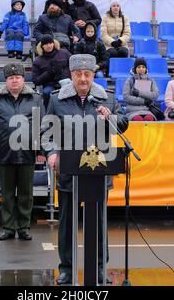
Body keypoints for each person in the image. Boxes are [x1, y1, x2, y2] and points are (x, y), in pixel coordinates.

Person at [44, 54, 128, 285]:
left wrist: (110, 116)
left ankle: (100, 269)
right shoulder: (56, 100)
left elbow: (124, 123)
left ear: (93, 76)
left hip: (98, 172)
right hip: (69, 171)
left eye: (87, 74)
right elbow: (46, 131)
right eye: (78, 74)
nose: (83, 78)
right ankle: (67, 270)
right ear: (71, 75)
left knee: (99, 224)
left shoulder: (106, 99)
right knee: (66, 226)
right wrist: (52, 152)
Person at [0, 63, 46, 241]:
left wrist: (42, 151)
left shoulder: (35, 98)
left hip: (27, 153)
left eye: (17, 77)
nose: (14, 81)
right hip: (5, 153)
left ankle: (24, 227)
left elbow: (43, 126)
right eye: (11, 78)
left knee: (26, 193)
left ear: (23, 79)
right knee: (7, 193)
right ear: (6, 81)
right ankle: (8, 227)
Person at [32, 34, 71, 108]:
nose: (49, 46)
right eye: (46, 44)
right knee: (46, 92)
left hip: (66, 82)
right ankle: (48, 112)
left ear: (54, 43)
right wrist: (49, 72)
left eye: (50, 43)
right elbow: (36, 81)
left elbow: (73, 66)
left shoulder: (64, 53)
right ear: (42, 46)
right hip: (50, 85)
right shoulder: (38, 61)